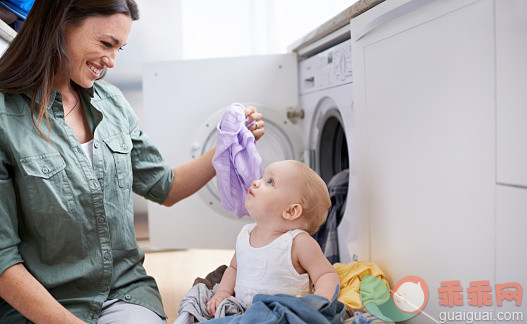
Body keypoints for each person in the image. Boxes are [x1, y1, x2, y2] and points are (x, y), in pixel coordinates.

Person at [0, 1, 265, 323]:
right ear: (59, 25)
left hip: (122, 293)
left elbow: (165, 187)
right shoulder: (5, 118)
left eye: (119, 49)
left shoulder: (111, 102)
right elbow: (2, 259)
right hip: (40, 304)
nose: (110, 61)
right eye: (105, 43)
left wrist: (229, 145)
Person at [205, 160, 340, 317]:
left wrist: (320, 300)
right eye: (261, 177)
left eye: (270, 182)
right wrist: (222, 292)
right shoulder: (245, 234)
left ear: (291, 211)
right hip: (243, 312)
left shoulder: (298, 242)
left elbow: (326, 274)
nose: (256, 182)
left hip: (283, 316)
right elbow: (234, 268)